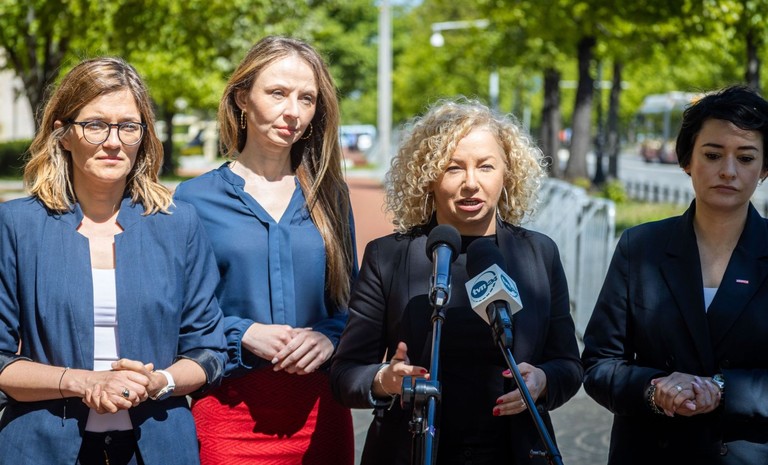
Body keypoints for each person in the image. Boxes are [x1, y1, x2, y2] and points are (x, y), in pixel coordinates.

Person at [0, 57, 227, 464]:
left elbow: (208, 351)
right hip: (41, 449)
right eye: (95, 125)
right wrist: (83, 382)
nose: (113, 141)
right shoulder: (17, 225)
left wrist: (159, 381)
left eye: (128, 126)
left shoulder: (179, 225)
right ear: (63, 135)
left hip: (159, 448)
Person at [330, 98, 583, 465]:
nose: (471, 183)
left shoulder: (539, 254)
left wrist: (544, 381)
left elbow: (569, 364)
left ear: (507, 174)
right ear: (428, 177)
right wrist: (386, 379)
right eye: (453, 168)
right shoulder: (387, 256)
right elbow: (345, 374)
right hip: (411, 452)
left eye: (485, 166)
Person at [174, 36, 357, 464]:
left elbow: (355, 302)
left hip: (321, 413)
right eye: (277, 93)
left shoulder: (331, 197)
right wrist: (243, 333)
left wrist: (330, 338)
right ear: (242, 98)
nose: (293, 111)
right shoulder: (192, 200)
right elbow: (177, 314)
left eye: (306, 98)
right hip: (228, 410)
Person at [582, 85, 768, 464]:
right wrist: (655, 389)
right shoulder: (640, 246)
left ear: (764, 169)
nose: (728, 171)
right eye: (712, 155)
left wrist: (723, 389)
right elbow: (599, 364)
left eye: (746, 158)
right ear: (686, 160)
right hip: (651, 451)